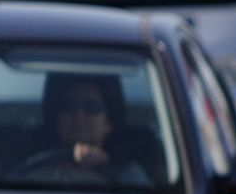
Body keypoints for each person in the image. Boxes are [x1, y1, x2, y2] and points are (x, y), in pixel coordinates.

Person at [15, 75, 148, 186]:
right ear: (57, 119)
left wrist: (105, 167)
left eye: (91, 107)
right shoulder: (29, 165)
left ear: (108, 123)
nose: (79, 115)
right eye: (68, 106)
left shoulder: (128, 172)